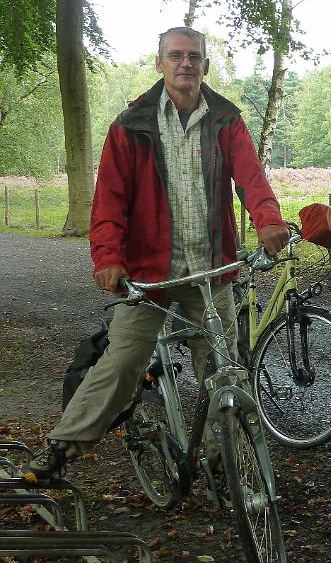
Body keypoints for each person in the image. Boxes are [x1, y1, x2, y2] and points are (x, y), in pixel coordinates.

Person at [21, 26, 289, 484]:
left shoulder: (226, 119)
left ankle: (226, 464)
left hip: (209, 271)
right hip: (149, 275)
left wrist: (267, 219)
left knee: (224, 368)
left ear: (206, 65)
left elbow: (250, 177)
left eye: (195, 57)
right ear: (159, 62)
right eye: (176, 55)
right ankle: (60, 448)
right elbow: (109, 201)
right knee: (123, 360)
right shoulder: (131, 125)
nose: (186, 64)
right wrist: (107, 257)